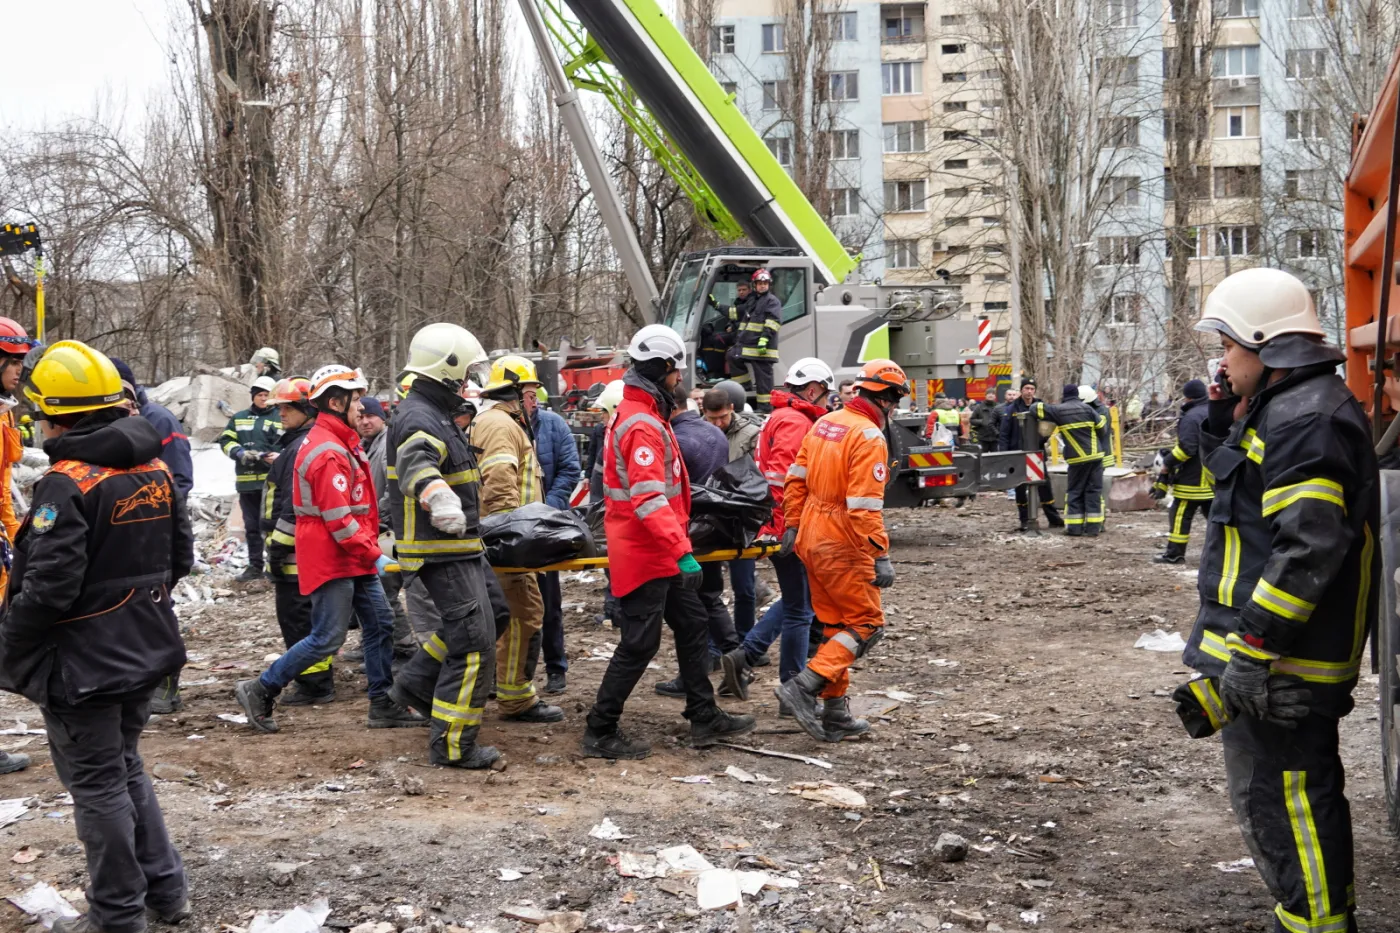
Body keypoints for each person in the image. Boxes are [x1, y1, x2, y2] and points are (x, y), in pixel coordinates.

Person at [1176, 268, 1375, 933]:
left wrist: (1253, 652)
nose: (1223, 360)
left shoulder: (1305, 417)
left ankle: (1322, 926)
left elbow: (1305, 550)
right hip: (1269, 659)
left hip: (1283, 664)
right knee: (1273, 803)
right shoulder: (1286, 408)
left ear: (1266, 344)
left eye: (1229, 346)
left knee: (1290, 802)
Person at [0, 340, 193, 933]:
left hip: (84, 664)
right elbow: (179, 558)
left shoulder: (68, 482)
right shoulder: (156, 468)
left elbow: (48, 589)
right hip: (147, 647)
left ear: (57, 412)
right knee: (125, 767)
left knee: (98, 784)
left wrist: (7, 645)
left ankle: (116, 915)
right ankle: (166, 892)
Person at [582, 323, 755, 759]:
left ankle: (703, 715)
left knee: (694, 625)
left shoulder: (644, 414)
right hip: (648, 551)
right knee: (640, 642)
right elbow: (648, 499)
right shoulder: (642, 423)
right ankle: (600, 729)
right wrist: (683, 553)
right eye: (676, 370)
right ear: (660, 370)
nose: (681, 379)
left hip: (658, 548)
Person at [234, 365, 422, 733]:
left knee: (381, 623)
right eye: (356, 403)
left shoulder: (340, 441)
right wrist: (377, 556)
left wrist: (369, 552)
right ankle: (260, 688)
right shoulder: (326, 452)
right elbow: (338, 521)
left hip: (352, 554)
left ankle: (383, 703)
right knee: (327, 637)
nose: (362, 410)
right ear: (335, 403)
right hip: (334, 555)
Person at [382, 327, 506, 768]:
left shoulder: (434, 411)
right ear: (447, 369)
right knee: (474, 644)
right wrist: (437, 495)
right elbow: (417, 463)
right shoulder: (419, 416)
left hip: (461, 545)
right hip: (440, 549)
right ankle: (454, 745)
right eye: (467, 370)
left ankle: (415, 685)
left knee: (497, 613)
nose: (471, 379)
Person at [776, 358, 907, 744]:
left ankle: (835, 712)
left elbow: (795, 479)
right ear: (887, 399)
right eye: (895, 401)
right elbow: (864, 505)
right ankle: (804, 686)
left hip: (812, 539)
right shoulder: (867, 436)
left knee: (836, 625)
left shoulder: (825, 423)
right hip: (843, 542)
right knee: (867, 624)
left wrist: (794, 524)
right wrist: (880, 553)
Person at [720, 357, 833, 705]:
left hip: (779, 524)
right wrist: (793, 525)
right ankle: (789, 687)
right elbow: (784, 477)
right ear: (813, 390)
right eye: (826, 396)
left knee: (798, 603)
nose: (829, 404)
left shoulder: (782, 417)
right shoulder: (797, 422)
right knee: (801, 608)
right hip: (790, 527)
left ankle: (751, 659)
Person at [472, 356, 564, 724]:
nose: (534, 400)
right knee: (523, 616)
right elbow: (499, 484)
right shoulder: (499, 426)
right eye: (530, 392)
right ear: (513, 391)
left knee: (516, 617)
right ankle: (515, 698)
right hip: (510, 541)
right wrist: (512, 533)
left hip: (512, 538)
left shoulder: (499, 422)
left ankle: (513, 693)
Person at [654, 380, 741, 697]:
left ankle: (693, 675)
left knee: (687, 612)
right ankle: (737, 660)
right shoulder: (714, 433)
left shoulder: (675, 440)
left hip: (686, 536)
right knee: (711, 600)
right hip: (715, 530)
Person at [257, 376, 337, 705]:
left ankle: (314, 684)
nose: (280, 414)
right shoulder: (297, 445)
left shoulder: (298, 449)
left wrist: (277, 551)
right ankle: (316, 680)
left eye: (287, 407)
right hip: (298, 554)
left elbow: (292, 508)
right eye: (278, 408)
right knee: (307, 619)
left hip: (292, 557)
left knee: (298, 621)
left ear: (307, 408)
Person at [527, 383, 581, 695]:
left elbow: (570, 470)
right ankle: (509, 673)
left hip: (546, 525)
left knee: (549, 602)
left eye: (533, 395)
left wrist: (550, 508)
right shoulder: (499, 425)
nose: (528, 401)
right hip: (510, 528)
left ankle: (556, 667)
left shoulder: (554, 425)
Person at [701, 387, 761, 637]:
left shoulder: (751, 434)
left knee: (744, 587)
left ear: (732, 410)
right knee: (709, 590)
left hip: (740, 520)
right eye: (712, 418)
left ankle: (746, 641)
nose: (718, 423)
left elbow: (759, 477)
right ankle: (717, 645)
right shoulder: (699, 432)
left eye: (722, 417)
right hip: (709, 520)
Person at [220, 375, 282, 582]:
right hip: (247, 484)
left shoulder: (280, 416)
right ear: (253, 396)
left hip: (271, 483)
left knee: (274, 526)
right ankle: (255, 566)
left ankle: (276, 566)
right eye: (260, 395)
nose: (263, 399)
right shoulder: (238, 418)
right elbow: (226, 440)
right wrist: (239, 453)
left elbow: (286, 444)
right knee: (252, 527)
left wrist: (273, 457)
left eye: (267, 395)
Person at [1151, 379, 1213, 564]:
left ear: (1187, 397)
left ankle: (1174, 554)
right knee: (1216, 520)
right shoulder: (1215, 412)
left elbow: (1187, 448)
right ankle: (1217, 555)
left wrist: (1168, 462)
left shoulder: (1191, 417)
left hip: (1192, 479)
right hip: (1214, 477)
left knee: (1180, 516)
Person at [1033, 385, 1107, 537]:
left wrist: (1039, 403)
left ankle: (1074, 529)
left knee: (1075, 492)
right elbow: (1102, 429)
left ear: (1064, 395)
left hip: (1076, 459)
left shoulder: (1058, 410)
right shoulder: (1088, 409)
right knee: (1093, 491)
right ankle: (1093, 528)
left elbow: (1036, 408)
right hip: (1095, 456)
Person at [1000, 380, 1065, 532]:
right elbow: (1004, 434)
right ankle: (1024, 520)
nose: (1029, 391)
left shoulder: (1040, 406)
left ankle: (1053, 519)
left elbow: (1049, 426)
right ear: (1021, 390)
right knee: (1020, 488)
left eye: (1032, 388)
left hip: (1036, 452)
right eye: (1026, 388)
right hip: (1018, 453)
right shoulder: (1012, 409)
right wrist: (1004, 454)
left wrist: (1041, 440)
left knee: (1044, 485)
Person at [737, 269, 782, 412]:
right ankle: (745, 387)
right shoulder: (754, 300)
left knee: (764, 380)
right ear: (755, 285)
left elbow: (773, 322)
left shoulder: (772, 301)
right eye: (760, 283)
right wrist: (740, 337)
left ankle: (766, 407)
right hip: (751, 345)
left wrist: (764, 339)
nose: (763, 286)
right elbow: (746, 320)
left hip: (764, 348)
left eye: (765, 283)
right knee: (733, 357)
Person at [968, 386, 1002, 450]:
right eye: (989, 393)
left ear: (995, 396)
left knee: (995, 458)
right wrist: (982, 421)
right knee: (982, 458)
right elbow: (972, 420)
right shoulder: (979, 407)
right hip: (983, 438)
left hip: (996, 438)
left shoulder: (999, 407)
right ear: (985, 396)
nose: (991, 395)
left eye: (993, 394)